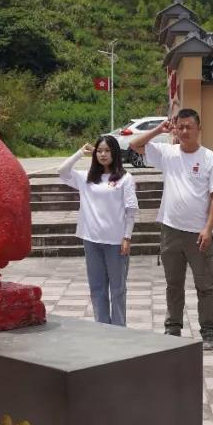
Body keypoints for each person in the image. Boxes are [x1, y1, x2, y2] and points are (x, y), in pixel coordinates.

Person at [130, 109, 213, 350]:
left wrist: (208, 228)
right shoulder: (167, 153)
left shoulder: (210, 158)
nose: (184, 131)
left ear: (199, 128)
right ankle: (173, 327)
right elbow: (134, 145)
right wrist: (158, 130)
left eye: (189, 126)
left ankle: (208, 331)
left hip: (198, 233)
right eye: (180, 126)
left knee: (205, 285)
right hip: (171, 230)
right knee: (173, 284)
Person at [57, 136, 139, 327]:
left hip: (116, 242)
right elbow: (62, 171)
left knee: (117, 289)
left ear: (115, 153)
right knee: (97, 288)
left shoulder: (125, 178)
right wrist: (79, 153)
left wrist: (127, 237)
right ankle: (102, 327)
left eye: (107, 151)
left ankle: (118, 328)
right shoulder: (86, 177)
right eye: (99, 151)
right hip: (91, 240)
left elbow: (131, 210)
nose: (103, 154)